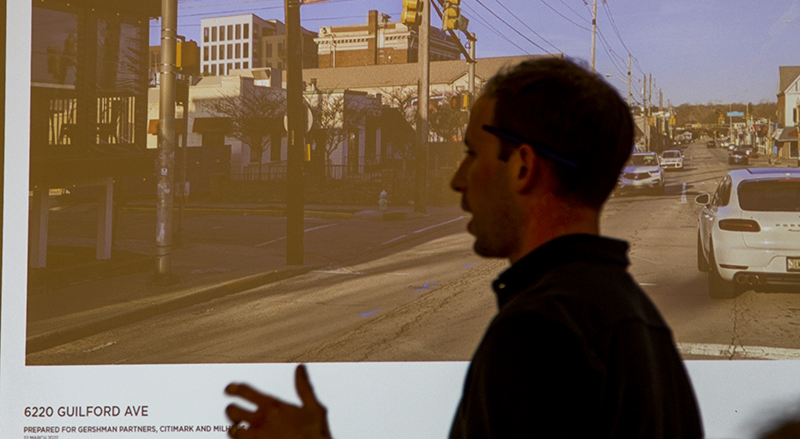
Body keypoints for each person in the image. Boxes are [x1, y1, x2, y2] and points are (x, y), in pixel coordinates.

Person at [224, 57, 704, 439]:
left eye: (472, 154)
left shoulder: (536, 334)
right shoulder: (640, 323)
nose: (457, 179)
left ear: (523, 166)